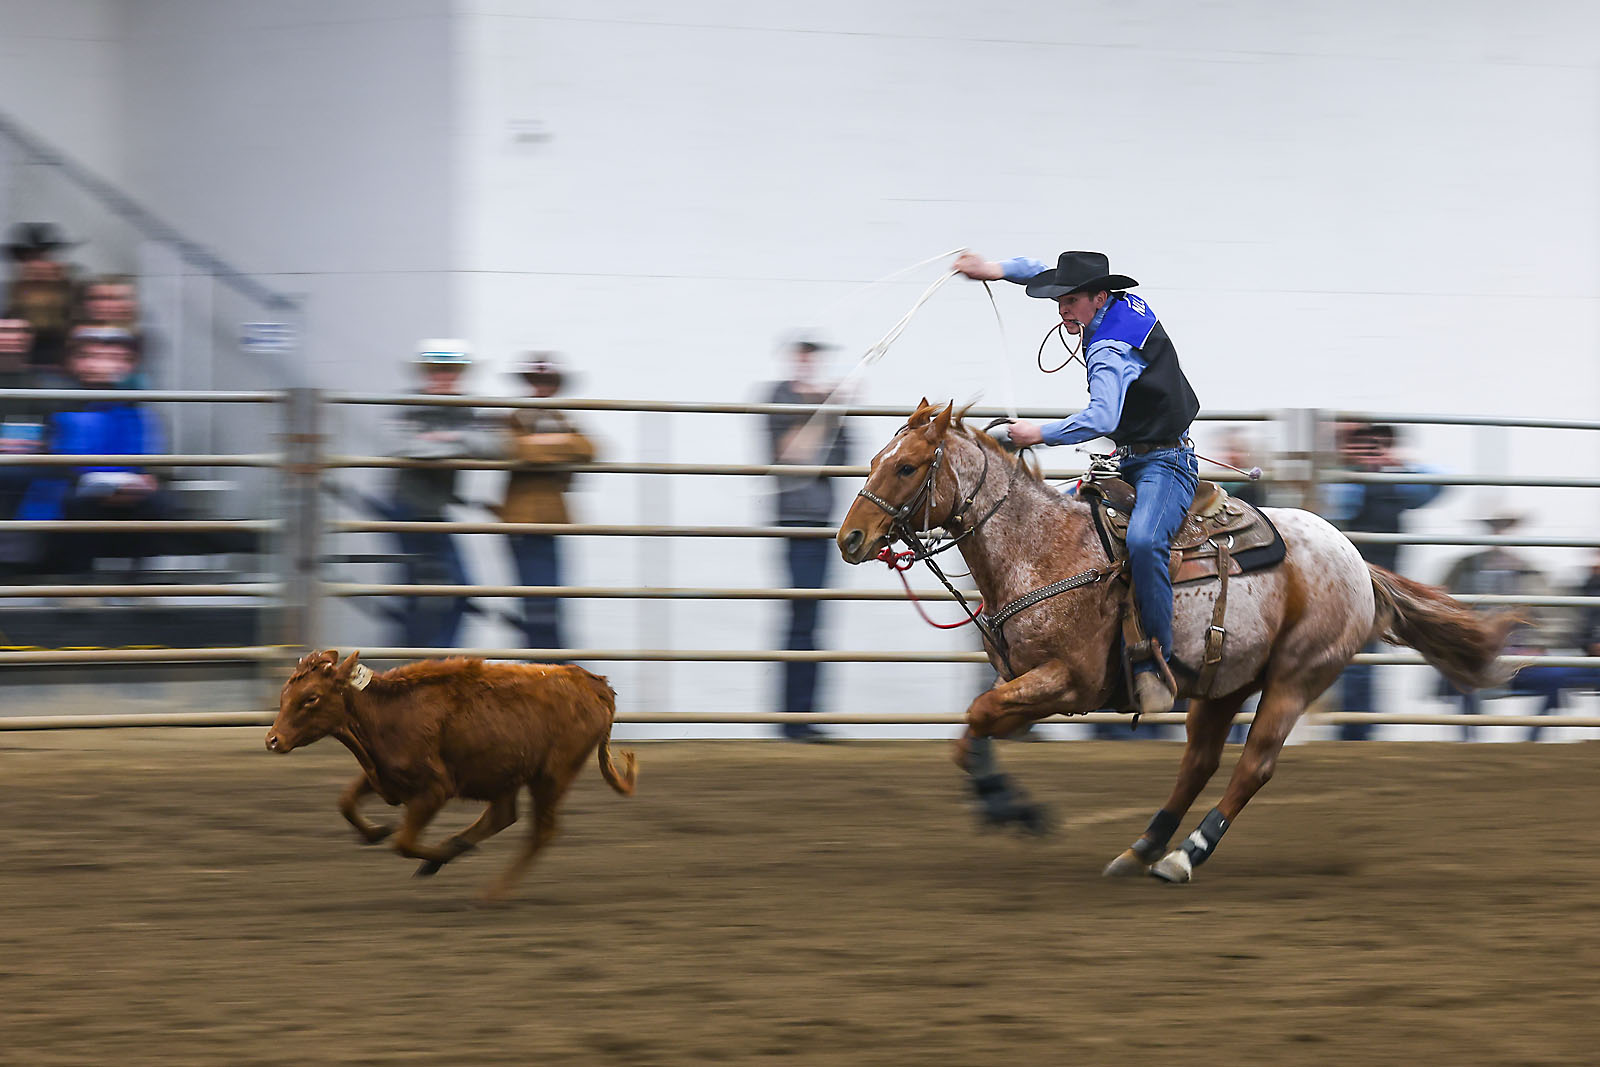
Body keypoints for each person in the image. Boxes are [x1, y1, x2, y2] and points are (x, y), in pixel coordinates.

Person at [953, 250, 1201, 715]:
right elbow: (1040, 270)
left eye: (1071, 301)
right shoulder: (1119, 305)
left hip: (1166, 463)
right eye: (1059, 300)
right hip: (1128, 457)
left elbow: (1103, 416)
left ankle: (1155, 660)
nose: (1063, 308)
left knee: (1146, 541)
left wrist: (1037, 434)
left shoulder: (1109, 349)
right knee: (1045, 524)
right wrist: (994, 270)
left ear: (1098, 298)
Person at [1322, 422, 1448, 740]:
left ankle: (1357, 731)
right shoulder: (1342, 482)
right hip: (1340, 584)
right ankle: (1354, 731)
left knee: (1361, 663)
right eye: (1361, 441)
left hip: (1377, 586)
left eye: (1378, 442)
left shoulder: (1396, 483)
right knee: (1352, 663)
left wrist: (1398, 465)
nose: (1371, 447)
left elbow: (1440, 481)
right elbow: (1331, 502)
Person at [15, 326, 169, 573]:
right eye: (93, 357)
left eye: (115, 359)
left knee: (157, 502)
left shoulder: (136, 410)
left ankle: (140, 580)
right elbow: (51, 456)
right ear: (74, 362)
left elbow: (146, 456)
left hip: (122, 487)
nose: (103, 365)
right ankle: (75, 580)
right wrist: (95, 485)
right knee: (76, 504)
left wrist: (144, 480)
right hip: (67, 486)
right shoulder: (53, 402)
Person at [765, 332, 853, 741]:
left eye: (814, 356)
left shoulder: (826, 405)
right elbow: (796, 455)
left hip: (821, 521)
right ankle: (793, 720)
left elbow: (847, 458)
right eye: (803, 355)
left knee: (813, 619)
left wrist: (831, 410)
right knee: (800, 618)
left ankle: (804, 717)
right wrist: (827, 410)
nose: (809, 363)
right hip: (796, 519)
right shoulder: (777, 396)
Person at [386, 339, 499, 649]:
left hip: (432, 511)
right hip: (408, 509)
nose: (444, 377)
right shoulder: (412, 406)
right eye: (438, 371)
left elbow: (495, 446)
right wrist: (461, 443)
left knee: (453, 590)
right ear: (426, 374)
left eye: (451, 371)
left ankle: (435, 664)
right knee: (422, 590)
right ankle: (417, 664)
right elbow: (408, 448)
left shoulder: (464, 410)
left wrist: (447, 437)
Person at [497, 353, 596, 659]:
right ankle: (544, 665)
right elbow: (516, 449)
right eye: (537, 381)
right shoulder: (516, 418)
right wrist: (557, 446)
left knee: (551, 599)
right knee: (536, 601)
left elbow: (588, 449)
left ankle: (551, 665)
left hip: (551, 523)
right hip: (523, 524)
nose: (542, 387)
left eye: (547, 382)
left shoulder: (563, 419)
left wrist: (544, 445)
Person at [1440, 512, 1571, 740]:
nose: (1498, 533)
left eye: (1504, 527)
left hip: (1522, 660)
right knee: (1459, 678)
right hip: (1475, 656)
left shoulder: (1531, 570)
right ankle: (1470, 743)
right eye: (1493, 527)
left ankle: (1532, 741)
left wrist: (1537, 646)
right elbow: (1441, 608)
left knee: (1559, 677)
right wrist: (1463, 642)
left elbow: (1556, 616)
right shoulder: (1463, 568)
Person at [3, 223, 79, 371]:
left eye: (44, 257)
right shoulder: (7, 297)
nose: (38, 265)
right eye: (29, 258)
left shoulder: (77, 296)